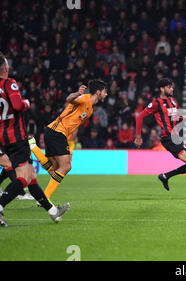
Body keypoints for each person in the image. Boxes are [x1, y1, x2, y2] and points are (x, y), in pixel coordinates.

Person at [0, 52, 69, 227]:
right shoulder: (9, 83)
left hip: (3, 138)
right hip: (16, 136)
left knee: (31, 177)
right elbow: (17, 105)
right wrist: (27, 103)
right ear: (5, 68)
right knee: (24, 177)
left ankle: (53, 212)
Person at [135, 78, 186, 199]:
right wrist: (138, 136)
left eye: (172, 87)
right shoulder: (156, 103)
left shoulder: (173, 101)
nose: (172, 89)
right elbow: (140, 117)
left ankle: (166, 176)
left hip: (176, 137)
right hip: (168, 138)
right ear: (162, 89)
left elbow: (173, 119)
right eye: (169, 87)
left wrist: (183, 118)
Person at [28, 80, 108, 201]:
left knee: (55, 170)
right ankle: (45, 199)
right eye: (105, 91)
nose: (106, 94)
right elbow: (69, 99)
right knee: (66, 167)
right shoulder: (84, 98)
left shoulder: (90, 109)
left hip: (58, 134)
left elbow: (75, 124)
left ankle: (33, 146)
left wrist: (71, 141)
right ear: (98, 92)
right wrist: (77, 93)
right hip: (57, 131)